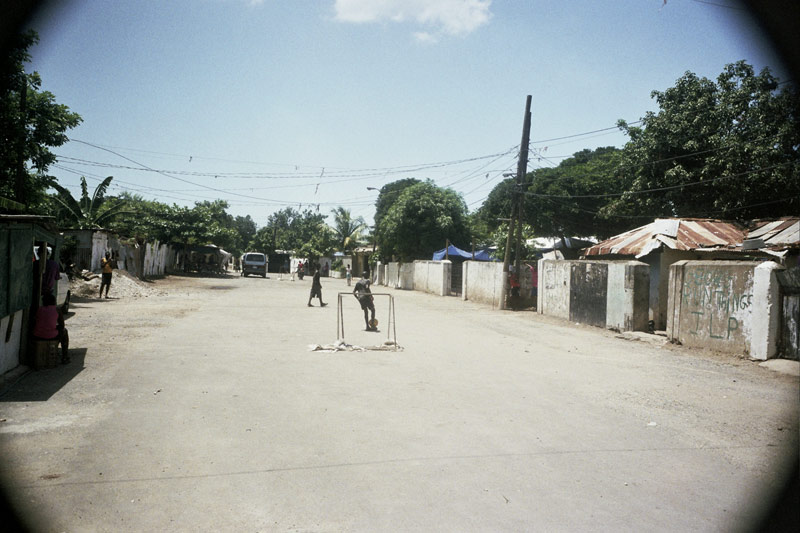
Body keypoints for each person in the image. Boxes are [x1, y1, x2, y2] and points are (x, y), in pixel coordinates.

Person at [32, 292, 70, 364]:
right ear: (54, 301)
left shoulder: (39, 309)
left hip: (37, 335)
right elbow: (62, 325)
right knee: (64, 331)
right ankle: (65, 357)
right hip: (51, 336)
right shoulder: (57, 310)